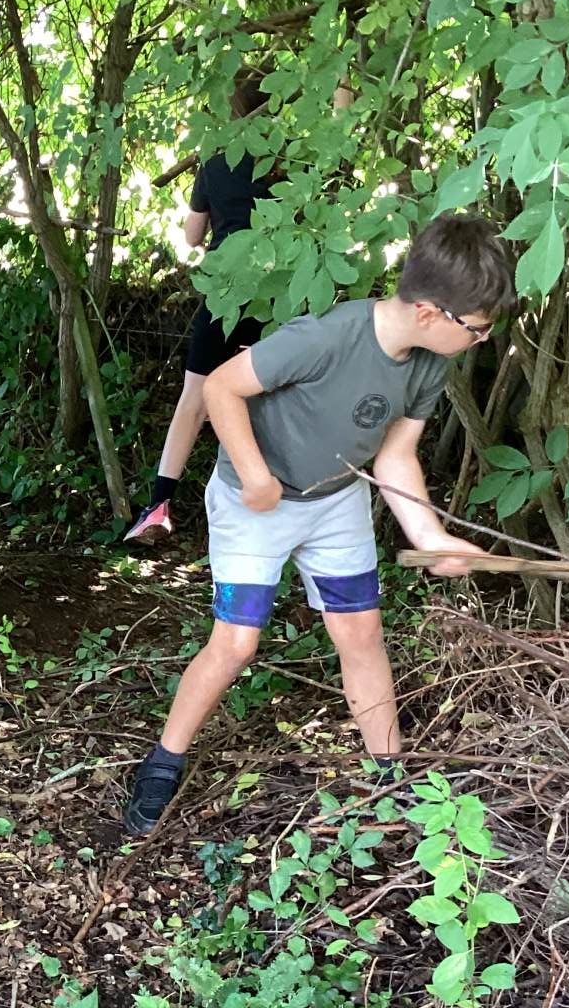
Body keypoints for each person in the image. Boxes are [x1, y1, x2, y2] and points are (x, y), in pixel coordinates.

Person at [122, 212, 516, 836]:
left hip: (336, 500)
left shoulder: (429, 362)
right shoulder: (327, 337)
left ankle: (390, 775)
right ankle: (163, 762)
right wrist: (254, 474)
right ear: (428, 313)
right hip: (255, 502)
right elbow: (220, 388)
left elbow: (395, 455)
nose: (482, 340)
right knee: (236, 642)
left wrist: (429, 536)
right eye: (477, 328)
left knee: (361, 633)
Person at [126, 70, 355, 546]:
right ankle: (282, 501)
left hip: (225, 292)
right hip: (277, 294)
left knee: (195, 399)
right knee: (274, 397)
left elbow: (192, 237)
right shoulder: (289, 156)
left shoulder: (214, 159)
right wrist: (342, 86)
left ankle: (158, 506)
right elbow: (338, 160)